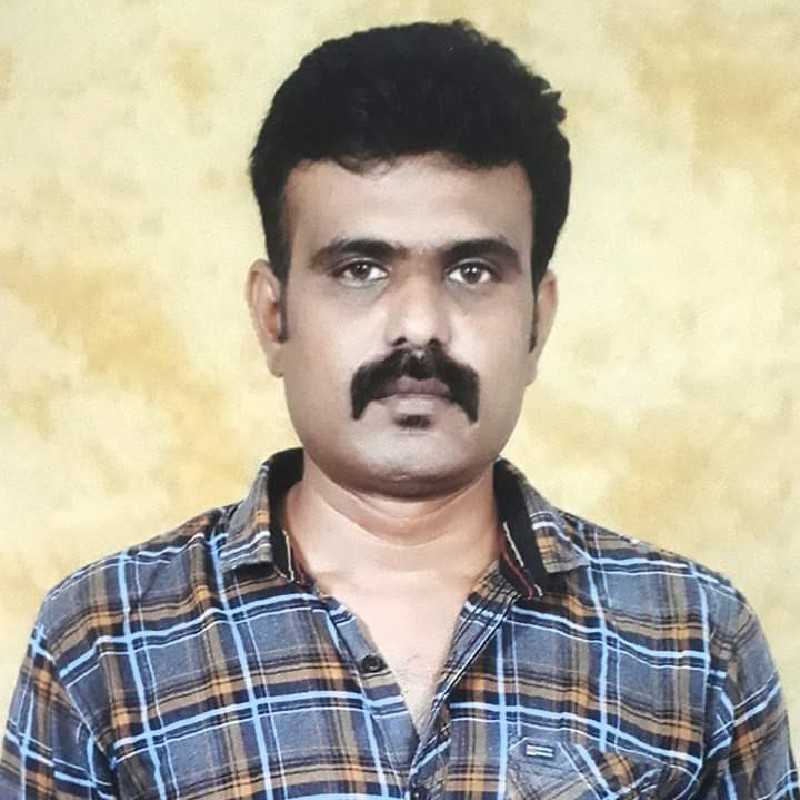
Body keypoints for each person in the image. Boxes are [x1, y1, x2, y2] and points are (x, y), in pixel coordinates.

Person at [1, 19, 796, 800]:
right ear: (273, 316)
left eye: (473, 271)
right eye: (359, 269)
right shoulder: (105, 642)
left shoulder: (691, 640)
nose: (419, 325)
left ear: (537, 321)